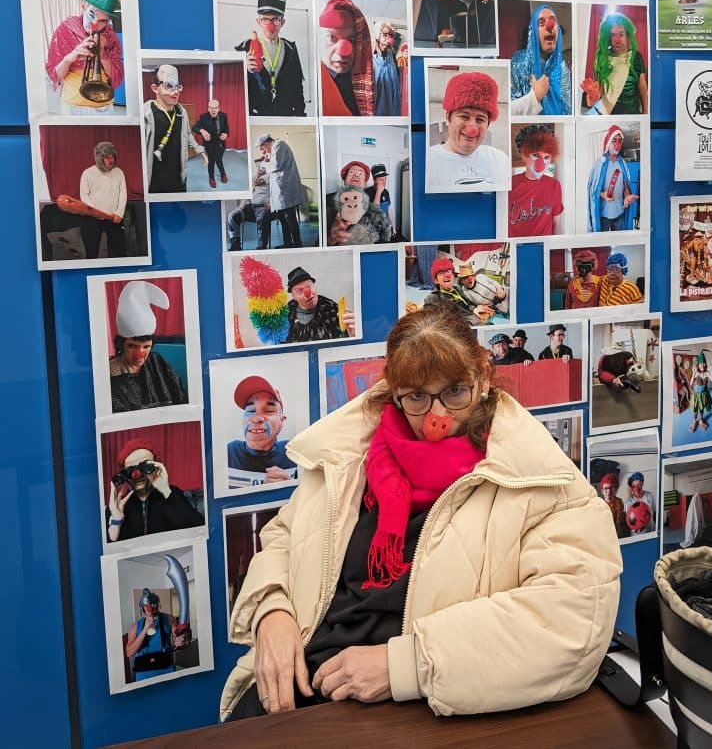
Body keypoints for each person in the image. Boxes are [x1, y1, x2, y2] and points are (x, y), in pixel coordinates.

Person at [220, 303, 621, 721]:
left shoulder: (541, 478)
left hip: (421, 708)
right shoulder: (350, 455)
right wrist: (272, 611)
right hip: (300, 688)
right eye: (417, 397)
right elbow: (285, 537)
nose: (438, 416)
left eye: (454, 391)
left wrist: (406, 666)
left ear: (483, 376)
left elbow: (574, 623)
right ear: (393, 391)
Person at [45, 0, 124, 114]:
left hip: (103, 106)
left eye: (102, 21)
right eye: (91, 15)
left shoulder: (112, 38)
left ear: (108, 21)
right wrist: (70, 58)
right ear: (83, 7)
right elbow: (56, 75)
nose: (94, 24)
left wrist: (103, 55)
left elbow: (116, 80)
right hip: (72, 107)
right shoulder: (65, 29)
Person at [109, 280, 187, 413]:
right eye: (132, 346)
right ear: (121, 344)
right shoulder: (111, 376)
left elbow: (180, 399)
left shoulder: (157, 361)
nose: (140, 353)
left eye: (146, 346)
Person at [106, 438, 204, 543]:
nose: (137, 475)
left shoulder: (172, 493)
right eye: (130, 470)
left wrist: (166, 491)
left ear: (157, 467)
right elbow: (108, 553)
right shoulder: (117, 505)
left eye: (145, 466)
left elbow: (199, 531)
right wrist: (116, 521)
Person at [426, 72, 510, 190]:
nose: (472, 128)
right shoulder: (427, 162)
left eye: (480, 119)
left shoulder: (500, 160)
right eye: (464, 116)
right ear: (448, 118)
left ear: (488, 124)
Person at [235, 0, 307, 117]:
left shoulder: (291, 49)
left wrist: (301, 116)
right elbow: (236, 88)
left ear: (282, 22)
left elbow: (297, 85)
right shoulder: (245, 47)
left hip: (285, 115)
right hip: (256, 116)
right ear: (258, 21)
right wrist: (245, 70)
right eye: (265, 19)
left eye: (275, 19)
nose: (270, 25)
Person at [143, 64, 207, 193]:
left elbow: (188, 134)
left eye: (177, 86)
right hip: (155, 176)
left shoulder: (181, 111)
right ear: (155, 88)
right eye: (169, 86)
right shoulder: (146, 113)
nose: (176, 91)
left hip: (178, 172)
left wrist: (199, 150)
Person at [227, 375, 296, 482]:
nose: (256, 418)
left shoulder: (294, 454)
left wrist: (288, 487)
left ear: (281, 422)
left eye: (269, 410)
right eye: (250, 410)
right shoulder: (228, 453)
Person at [510, 5, 572, 116]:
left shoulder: (562, 68)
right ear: (533, 32)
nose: (550, 26)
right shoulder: (518, 62)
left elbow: (567, 111)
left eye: (553, 21)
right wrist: (534, 97)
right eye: (541, 23)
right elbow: (508, 112)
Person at [318, 0, 375, 116]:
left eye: (352, 39)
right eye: (332, 37)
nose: (343, 51)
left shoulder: (367, 84)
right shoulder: (312, 81)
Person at [582, 13, 648, 115]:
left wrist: (645, 113)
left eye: (621, 34)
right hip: (607, 114)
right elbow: (601, 89)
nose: (617, 40)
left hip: (631, 114)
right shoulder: (602, 58)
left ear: (628, 36)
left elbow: (643, 88)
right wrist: (593, 97)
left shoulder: (636, 57)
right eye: (613, 35)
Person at [508, 125, 564, 237]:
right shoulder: (509, 184)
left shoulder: (554, 186)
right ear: (524, 155)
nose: (541, 164)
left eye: (546, 157)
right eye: (535, 155)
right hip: (516, 247)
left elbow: (556, 223)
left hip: (544, 248)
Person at [126, 588, 190, 682]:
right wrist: (144, 629)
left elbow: (179, 637)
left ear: (158, 605)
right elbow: (129, 653)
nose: (150, 608)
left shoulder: (169, 619)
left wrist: (182, 640)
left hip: (167, 671)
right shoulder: (135, 627)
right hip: (144, 676)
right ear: (142, 608)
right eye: (147, 606)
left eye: (153, 604)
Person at [78, 140, 127, 259]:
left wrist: (119, 213)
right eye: (107, 157)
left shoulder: (119, 173)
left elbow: (123, 194)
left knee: (118, 253)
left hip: (114, 219)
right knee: (91, 253)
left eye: (112, 157)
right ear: (99, 158)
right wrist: (95, 212)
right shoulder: (88, 173)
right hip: (92, 219)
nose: (111, 160)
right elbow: (84, 196)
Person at [587, 124, 639, 232]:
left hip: (619, 214)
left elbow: (626, 186)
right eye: (614, 140)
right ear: (608, 142)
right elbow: (592, 189)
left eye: (620, 141)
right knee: (603, 246)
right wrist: (603, 195)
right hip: (603, 216)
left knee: (619, 243)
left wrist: (627, 196)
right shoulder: (600, 163)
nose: (617, 144)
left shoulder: (623, 163)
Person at [284, 267, 356, 343]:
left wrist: (353, 336)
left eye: (309, 286)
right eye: (299, 291)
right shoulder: (284, 316)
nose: (307, 293)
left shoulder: (332, 310)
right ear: (293, 296)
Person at [258, 133, 303, 249]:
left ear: (266, 143)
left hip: (286, 190)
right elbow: (274, 171)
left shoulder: (279, 144)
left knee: (290, 218)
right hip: (282, 190)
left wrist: (264, 163)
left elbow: (276, 165)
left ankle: (297, 244)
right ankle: (287, 243)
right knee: (283, 218)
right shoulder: (275, 149)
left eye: (262, 147)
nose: (263, 150)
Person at [423, 258, 492, 322]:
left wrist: (474, 309)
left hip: (473, 317)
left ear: (453, 276)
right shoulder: (432, 298)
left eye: (448, 271)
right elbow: (432, 323)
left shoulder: (457, 289)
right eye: (441, 273)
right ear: (436, 280)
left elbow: (467, 304)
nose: (446, 275)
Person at [227, 159, 271, 251]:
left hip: (265, 208)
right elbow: (247, 195)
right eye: (258, 168)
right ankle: (235, 245)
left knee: (263, 214)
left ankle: (261, 247)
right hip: (250, 207)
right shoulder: (253, 178)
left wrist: (271, 203)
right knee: (232, 216)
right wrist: (240, 208)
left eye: (262, 168)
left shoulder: (272, 179)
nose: (259, 170)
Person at [192, 99, 229, 189]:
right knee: (211, 162)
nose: (213, 110)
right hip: (209, 144)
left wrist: (226, 134)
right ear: (208, 108)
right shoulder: (203, 117)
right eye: (211, 108)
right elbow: (194, 128)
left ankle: (223, 174)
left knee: (219, 160)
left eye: (215, 108)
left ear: (219, 108)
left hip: (220, 143)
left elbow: (227, 129)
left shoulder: (224, 116)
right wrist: (202, 130)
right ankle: (211, 178)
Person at [372, 22, 405, 116]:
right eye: (385, 35)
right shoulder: (368, 59)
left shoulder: (392, 57)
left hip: (393, 108)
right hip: (376, 111)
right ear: (378, 35)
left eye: (391, 36)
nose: (389, 39)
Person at [365, 164, 397, 237]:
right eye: (381, 180)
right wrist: (378, 191)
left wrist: (393, 227)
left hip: (385, 227)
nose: (384, 182)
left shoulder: (386, 192)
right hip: (372, 230)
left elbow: (389, 210)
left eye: (385, 178)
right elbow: (374, 213)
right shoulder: (367, 193)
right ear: (374, 180)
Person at [599, 473, 629, 539]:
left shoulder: (619, 501)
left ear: (615, 489)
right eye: (606, 488)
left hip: (620, 536)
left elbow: (620, 521)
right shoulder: (599, 506)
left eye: (611, 488)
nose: (609, 491)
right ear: (602, 491)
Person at [690, 351, 712, 433]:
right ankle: (694, 421)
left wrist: (711, 370)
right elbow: (690, 383)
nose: (703, 365)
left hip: (704, 395)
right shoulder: (696, 373)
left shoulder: (707, 373)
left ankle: (701, 420)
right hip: (697, 395)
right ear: (698, 365)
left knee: (702, 408)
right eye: (701, 363)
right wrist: (693, 374)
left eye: (704, 363)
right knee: (696, 410)